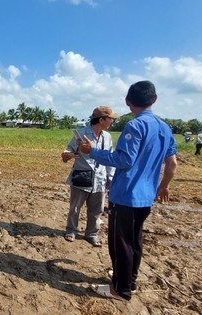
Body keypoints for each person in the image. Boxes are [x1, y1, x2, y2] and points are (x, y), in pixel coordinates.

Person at [78, 81, 177, 301]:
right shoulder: (164, 128)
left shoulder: (135, 126)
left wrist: (93, 152)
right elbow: (172, 165)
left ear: (128, 102)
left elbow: (124, 159)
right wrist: (164, 186)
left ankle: (119, 290)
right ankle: (129, 281)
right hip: (146, 196)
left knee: (120, 243)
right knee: (135, 240)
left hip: (126, 196)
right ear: (155, 99)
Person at [61, 106, 118, 247]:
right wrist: (67, 154)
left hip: (100, 178)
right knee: (75, 207)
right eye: (110, 119)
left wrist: (111, 177)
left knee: (97, 209)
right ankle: (71, 230)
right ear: (101, 120)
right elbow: (68, 150)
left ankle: (92, 234)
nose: (112, 121)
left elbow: (110, 159)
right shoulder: (81, 134)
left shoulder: (107, 137)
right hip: (82, 175)